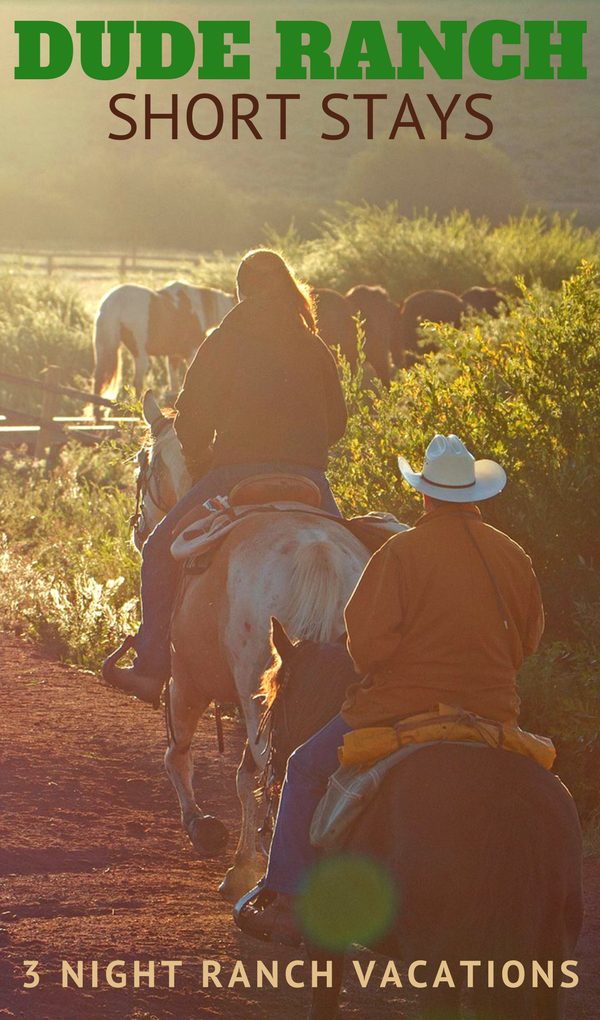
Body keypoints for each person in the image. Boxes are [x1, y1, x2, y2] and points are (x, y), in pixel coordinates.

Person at [233, 433, 545, 945]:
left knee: (304, 767)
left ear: (424, 494)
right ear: (473, 495)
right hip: (495, 712)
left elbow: (367, 648)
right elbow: (528, 641)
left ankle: (285, 897)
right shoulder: (514, 557)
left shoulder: (400, 553)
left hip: (400, 706)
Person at [101, 249, 348, 705]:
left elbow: (190, 421)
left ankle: (152, 665)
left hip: (237, 473)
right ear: (286, 288)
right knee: (362, 559)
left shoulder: (224, 340)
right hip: (310, 480)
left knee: (157, 549)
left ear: (241, 291)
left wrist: (204, 460)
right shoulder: (314, 346)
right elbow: (337, 426)